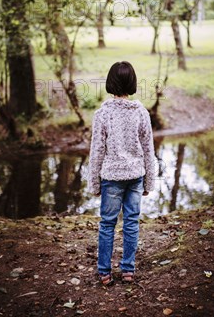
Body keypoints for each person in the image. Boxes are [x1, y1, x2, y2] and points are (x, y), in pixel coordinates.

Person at [88, 61, 157, 286]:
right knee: (131, 222)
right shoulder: (141, 112)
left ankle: (104, 272)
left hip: (111, 178)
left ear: (111, 83)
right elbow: (149, 148)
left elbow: (97, 149)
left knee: (107, 224)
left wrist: (94, 184)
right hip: (135, 176)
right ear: (132, 83)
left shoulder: (103, 113)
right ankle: (128, 270)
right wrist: (149, 181)